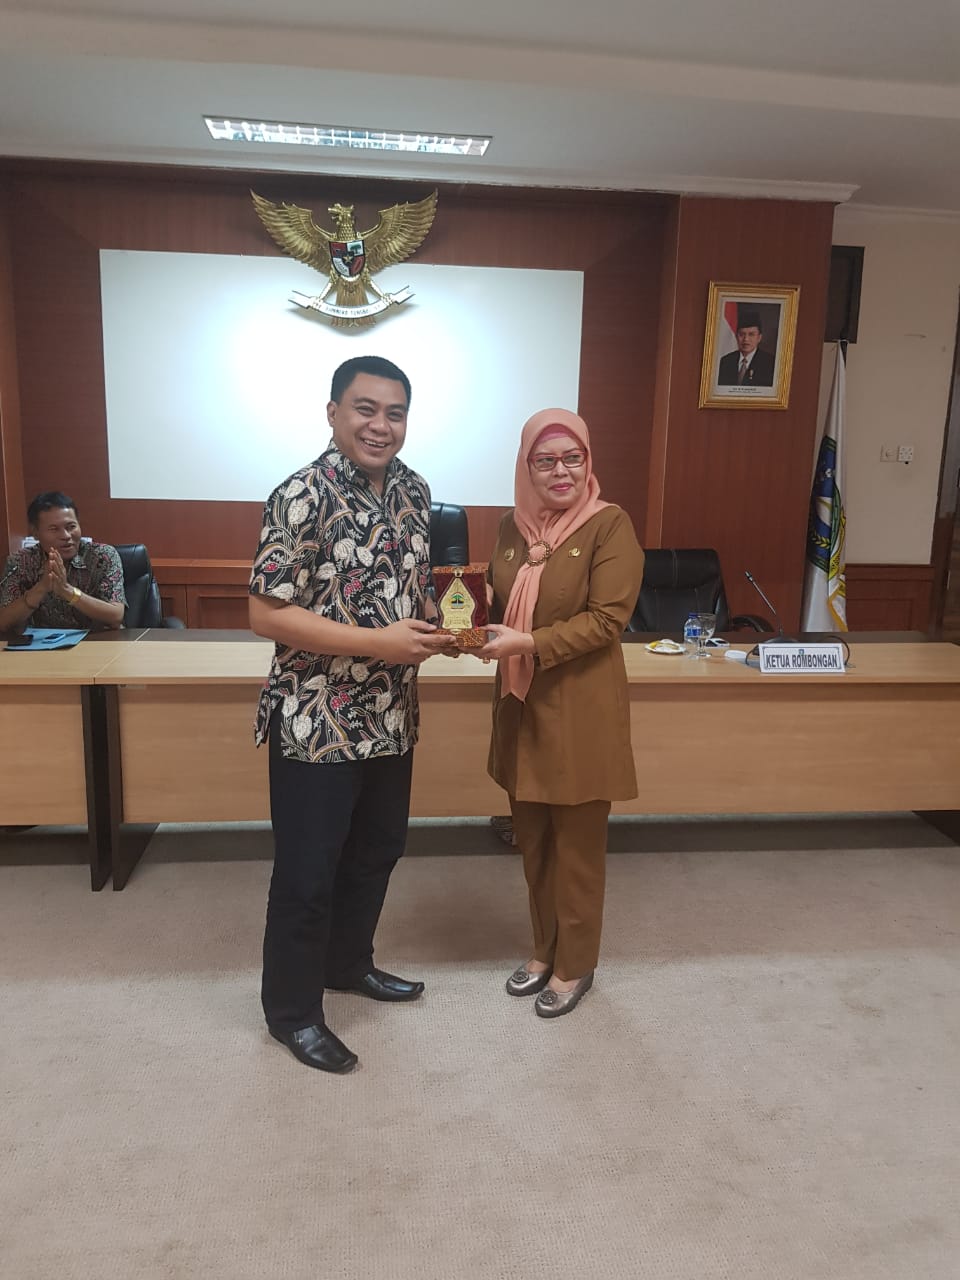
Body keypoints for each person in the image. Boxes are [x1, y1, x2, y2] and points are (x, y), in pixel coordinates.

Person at [249, 355, 453, 1074]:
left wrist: (440, 628)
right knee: (308, 874)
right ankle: (292, 1013)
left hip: (391, 715)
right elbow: (266, 613)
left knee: (377, 852)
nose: (380, 425)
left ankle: (347, 964)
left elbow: (410, 592)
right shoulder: (300, 494)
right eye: (365, 409)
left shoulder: (415, 490)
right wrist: (379, 642)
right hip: (317, 719)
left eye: (395, 413)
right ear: (334, 412)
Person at [479, 409, 645, 1018]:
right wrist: (462, 613)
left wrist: (526, 642)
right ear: (526, 467)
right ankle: (543, 949)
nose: (560, 471)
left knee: (576, 848)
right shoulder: (511, 526)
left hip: (579, 709)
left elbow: (606, 621)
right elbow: (493, 593)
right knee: (533, 841)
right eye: (545, 460)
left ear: (588, 461)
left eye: (572, 458)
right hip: (521, 708)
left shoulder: (609, 525)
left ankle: (576, 963)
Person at [0, 491, 125, 633]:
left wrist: (66, 590)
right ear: (35, 533)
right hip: (40, 643)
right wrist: (41, 588)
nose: (66, 536)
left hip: (99, 641)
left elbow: (116, 616)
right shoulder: (20, 562)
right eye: (54, 529)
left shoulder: (102, 557)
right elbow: (3, 623)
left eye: (71, 527)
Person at [717, 310, 776, 387]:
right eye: (741, 334)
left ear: (759, 338)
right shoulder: (725, 361)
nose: (746, 339)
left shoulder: (770, 363)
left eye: (751, 334)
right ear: (736, 336)